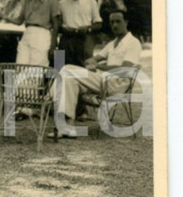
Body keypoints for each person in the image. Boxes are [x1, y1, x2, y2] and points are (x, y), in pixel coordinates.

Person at [50, 9, 142, 139]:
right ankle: (68, 127)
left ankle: (50, 95)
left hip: (117, 84)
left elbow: (124, 70)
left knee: (66, 69)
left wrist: (98, 66)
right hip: (104, 81)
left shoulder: (133, 42)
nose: (114, 25)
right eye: (112, 22)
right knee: (70, 80)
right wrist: (91, 62)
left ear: (126, 22)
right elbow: (94, 59)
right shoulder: (112, 44)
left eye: (118, 21)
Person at [5, 0, 60, 66]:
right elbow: (19, 20)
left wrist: (53, 46)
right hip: (27, 34)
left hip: (42, 35)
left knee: (36, 71)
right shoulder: (27, 0)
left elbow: (56, 25)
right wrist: (5, 17)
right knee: (20, 68)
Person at [59, 0, 102, 66]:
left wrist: (88, 28)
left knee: (85, 67)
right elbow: (57, 25)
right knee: (59, 66)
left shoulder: (90, 1)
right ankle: (61, 80)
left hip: (84, 38)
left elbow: (98, 24)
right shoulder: (61, 3)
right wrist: (64, 29)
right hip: (66, 39)